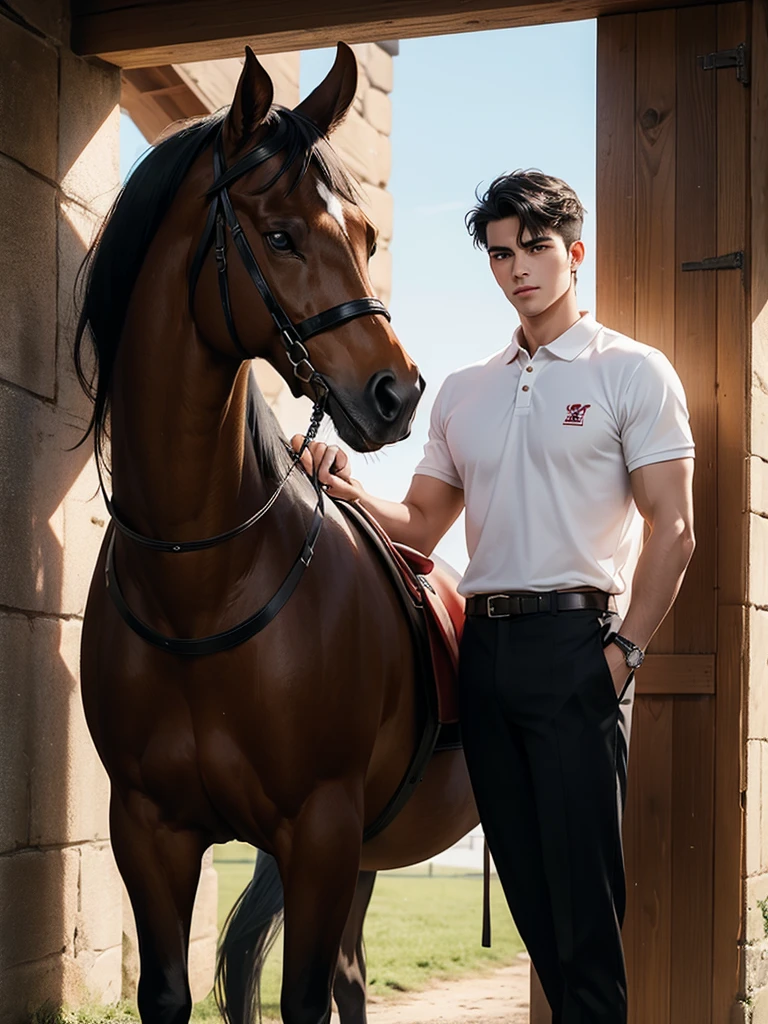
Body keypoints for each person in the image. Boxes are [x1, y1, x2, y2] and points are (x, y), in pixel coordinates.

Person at [293, 170, 695, 1023]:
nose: (518, 269)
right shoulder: (467, 391)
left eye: (536, 249)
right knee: (534, 911)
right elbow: (424, 526)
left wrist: (623, 657)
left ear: (574, 254)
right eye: (501, 253)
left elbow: (677, 530)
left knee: (584, 919)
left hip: (579, 652)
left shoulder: (632, 372)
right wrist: (349, 485)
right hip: (485, 657)